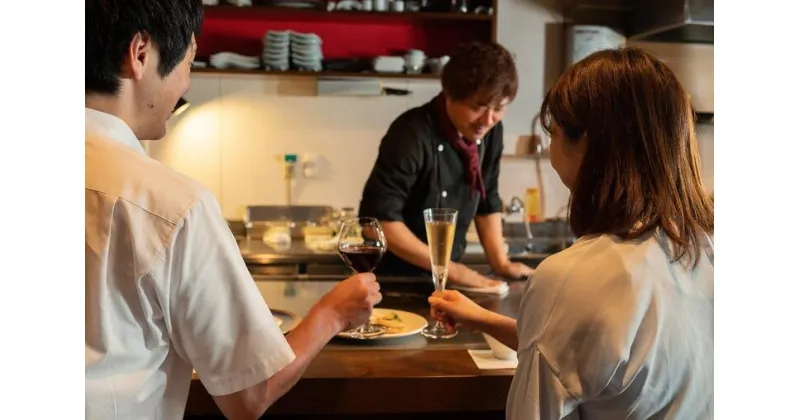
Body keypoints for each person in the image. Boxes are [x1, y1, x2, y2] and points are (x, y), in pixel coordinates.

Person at [85, 1, 381, 419]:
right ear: (140, 54)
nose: (186, 84)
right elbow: (249, 395)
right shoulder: (170, 204)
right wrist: (332, 314)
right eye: (189, 61)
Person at [429, 46, 714, 419]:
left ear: (584, 143)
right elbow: (605, 356)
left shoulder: (572, 278)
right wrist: (483, 319)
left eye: (554, 132)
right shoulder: (701, 250)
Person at [358, 41, 534, 289]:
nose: (488, 120)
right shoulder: (411, 133)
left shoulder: (491, 132)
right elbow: (378, 222)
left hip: (445, 281)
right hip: (396, 283)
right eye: (477, 108)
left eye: (499, 108)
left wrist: (501, 264)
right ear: (449, 94)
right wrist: (455, 271)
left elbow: (487, 199)